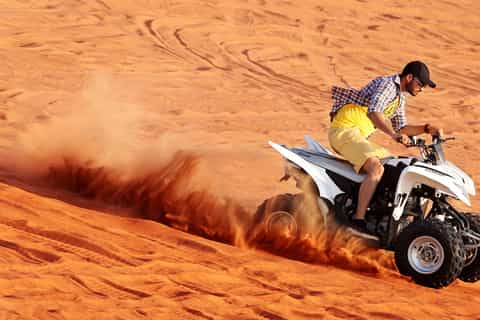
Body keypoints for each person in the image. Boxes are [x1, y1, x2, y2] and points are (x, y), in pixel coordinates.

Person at [328, 60, 443, 238]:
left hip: (357, 136)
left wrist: (426, 128)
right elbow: (374, 113)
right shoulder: (388, 85)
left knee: (394, 167)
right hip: (345, 130)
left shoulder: (399, 98)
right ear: (409, 77)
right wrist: (393, 135)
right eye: (420, 84)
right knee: (376, 168)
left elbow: (401, 128)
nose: (421, 89)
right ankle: (358, 222)